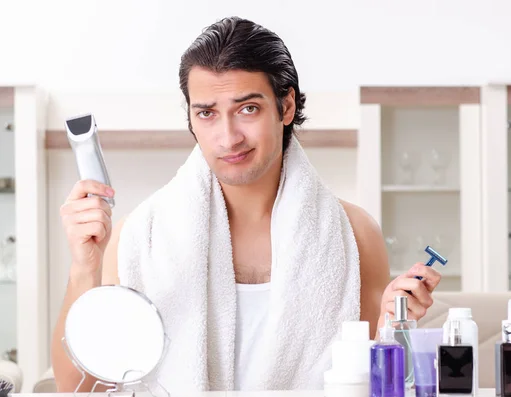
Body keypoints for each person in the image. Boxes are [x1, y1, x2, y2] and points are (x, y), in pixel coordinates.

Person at [51, 16, 441, 393]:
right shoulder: (140, 238)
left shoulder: (354, 234)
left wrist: (397, 324)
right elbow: (78, 389)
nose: (228, 137)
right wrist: (85, 267)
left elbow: (378, 383)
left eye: (248, 109)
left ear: (285, 107)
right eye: (207, 113)